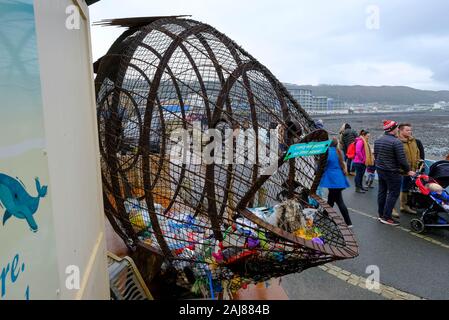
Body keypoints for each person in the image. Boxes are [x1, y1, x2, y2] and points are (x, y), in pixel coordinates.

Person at [374, 120, 416, 226]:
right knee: (393, 194)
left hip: (380, 169)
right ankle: (386, 217)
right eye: (397, 128)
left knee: (382, 192)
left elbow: (376, 155)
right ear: (393, 129)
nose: (398, 129)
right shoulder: (396, 142)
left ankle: (381, 214)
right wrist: (408, 170)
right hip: (392, 172)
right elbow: (402, 160)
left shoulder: (378, 140)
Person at [319, 138, 352, 227]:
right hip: (340, 179)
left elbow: (323, 165)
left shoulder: (327, 152)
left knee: (339, 201)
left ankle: (348, 222)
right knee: (331, 199)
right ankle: (324, 214)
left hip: (332, 180)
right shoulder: (339, 152)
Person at [398, 123, 425, 214]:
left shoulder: (413, 141)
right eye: (407, 130)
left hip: (412, 170)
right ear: (400, 130)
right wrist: (404, 169)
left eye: (410, 130)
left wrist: (419, 164)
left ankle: (406, 205)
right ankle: (403, 206)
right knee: (403, 188)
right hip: (402, 171)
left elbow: (417, 153)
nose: (410, 132)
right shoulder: (397, 141)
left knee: (408, 187)